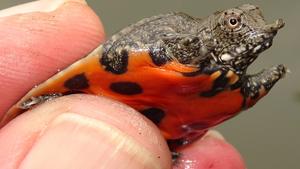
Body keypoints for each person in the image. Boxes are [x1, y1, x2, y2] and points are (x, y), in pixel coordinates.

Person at [0, 0, 246, 168]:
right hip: (81, 92)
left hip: (165, 125)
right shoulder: (186, 41)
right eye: (235, 23)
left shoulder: (216, 77)